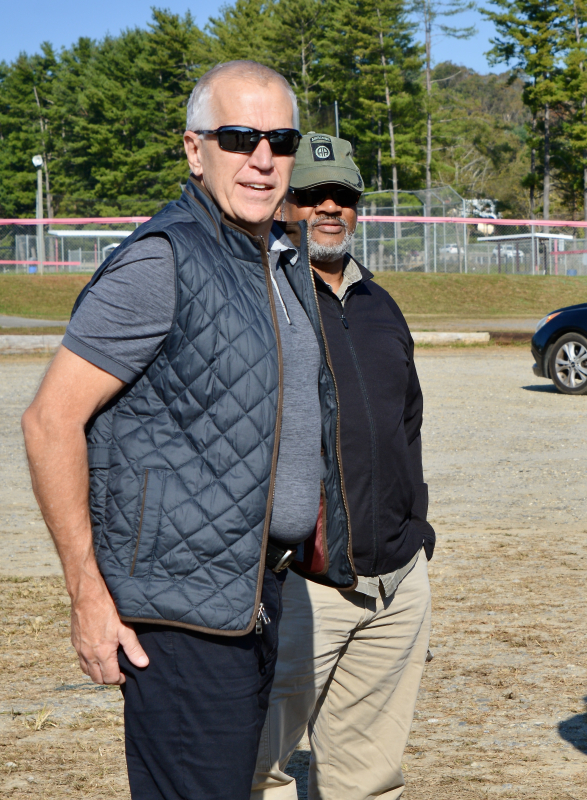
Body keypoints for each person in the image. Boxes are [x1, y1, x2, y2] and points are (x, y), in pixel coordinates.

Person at [21, 61, 356, 800]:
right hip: (180, 620)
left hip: (252, 598)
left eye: (280, 138)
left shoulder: (276, 257)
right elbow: (49, 422)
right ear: (194, 149)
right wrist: (87, 596)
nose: (262, 159)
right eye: (238, 137)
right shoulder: (163, 260)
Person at [252, 133, 434, 800]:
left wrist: (417, 533)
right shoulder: (260, 301)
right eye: (309, 195)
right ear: (281, 204)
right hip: (304, 589)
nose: (328, 208)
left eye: (344, 196)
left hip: (395, 586)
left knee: (369, 779)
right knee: (258, 771)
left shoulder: (379, 305)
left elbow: (407, 425)